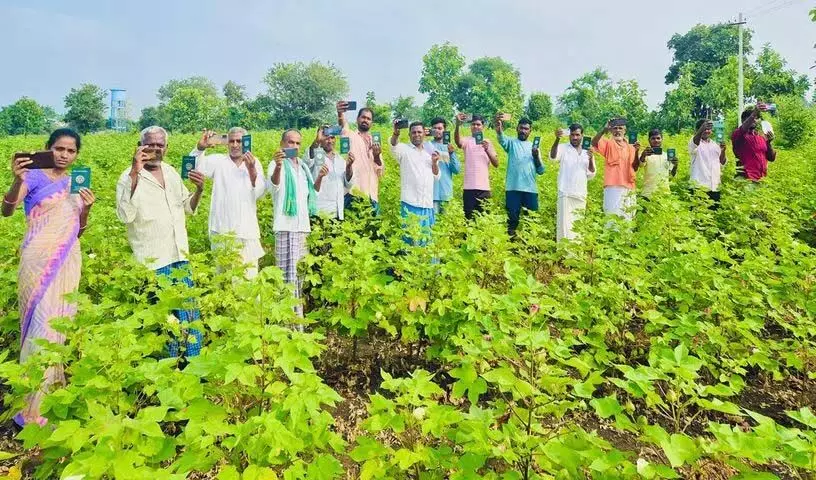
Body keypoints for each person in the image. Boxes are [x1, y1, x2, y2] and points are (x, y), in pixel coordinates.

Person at [2, 128, 95, 427]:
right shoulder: (32, 177)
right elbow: (6, 210)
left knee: (57, 327)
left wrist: (87, 209)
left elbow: (78, 229)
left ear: (76, 154)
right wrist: (17, 178)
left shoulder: (75, 183)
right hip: (37, 261)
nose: (64, 155)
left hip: (67, 260)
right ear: (48, 148)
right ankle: (32, 408)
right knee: (38, 327)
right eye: (59, 149)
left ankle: (52, 399)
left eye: (70, 151)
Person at [116, 126, 205, 358]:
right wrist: (135, 173)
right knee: (165, 319)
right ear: (140, 145)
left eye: (160, 145)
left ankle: (191, 366)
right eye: (150, 145)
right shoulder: (128, 177)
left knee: (189, 314)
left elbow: (188, 206)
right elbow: (125, 215)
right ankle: (169, 368)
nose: (155, 150)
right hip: (152, 260)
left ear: (167, 148)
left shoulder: (172, 172)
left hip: (179, 254)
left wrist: (200, 190)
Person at [189, 127, 266, 278]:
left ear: (246, 142)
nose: (235, 145)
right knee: (223, 281)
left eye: (239, 141)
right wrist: (200, 148)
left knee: (247, 282)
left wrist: (251, 170)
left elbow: (259, 193)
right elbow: (191, 167)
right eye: (232, 141)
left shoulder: (254, 163)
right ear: (227, 143)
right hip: (221, 231)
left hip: (246, 232)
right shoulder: (218, 161)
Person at [268, 129, 317, 318]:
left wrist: (319, 176)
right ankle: (286, 323)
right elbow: (274, 186)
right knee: (285, 279)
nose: (294, 147)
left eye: (297, 144)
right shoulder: (275, 164)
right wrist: (279, 166)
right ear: (282, 144)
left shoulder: (304, 168)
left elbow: (311, 195)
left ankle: (297, 320)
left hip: (302, 228)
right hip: (285, 227)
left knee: (299, 278)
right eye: (290, 142)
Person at [390, 120, 441, 244]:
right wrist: (396, 133)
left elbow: (437, 176)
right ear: (409, 135)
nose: (417, 134)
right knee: (410, 240)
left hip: (427, 203)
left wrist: (434, 163)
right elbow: (393, 146)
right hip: (410, 204)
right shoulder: (404, 149)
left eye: (419, 132)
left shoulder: (430, 151)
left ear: (424, 133)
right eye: (413, 132)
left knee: (426, 241)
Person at [495, 114, 545, 236]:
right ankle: (511, 248)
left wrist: (535, 156)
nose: (523, 131)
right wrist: (499, 129)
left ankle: (528, 248)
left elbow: (541, 170)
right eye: (521, 128)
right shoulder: (511, 143)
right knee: (512, 221)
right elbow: (502, 139)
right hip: (513, 188)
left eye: (526, 129)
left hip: (530, 190)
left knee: (531, 221)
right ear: (517, 128)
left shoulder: (534, 148)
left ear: (530, 131)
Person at [549, 124, 596, 241]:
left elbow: (591, 173)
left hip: (580, 194)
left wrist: (590, 158)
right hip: (565, 193)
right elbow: (553, 157)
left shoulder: (587, 151)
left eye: (577, 135)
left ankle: (575, 256)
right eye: (572, 135)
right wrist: (557, 138)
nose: (574, 137)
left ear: (582, 135)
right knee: (564, 228)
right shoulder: (563, 147)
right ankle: (563, 256)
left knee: (577, 227)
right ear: (569, 135)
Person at [336, 102, 383, 213]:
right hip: (353, 194)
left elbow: (380, 171)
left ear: (372, 122)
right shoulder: (351, 136)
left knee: (372, 230)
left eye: (368, 118)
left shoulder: (376, 142)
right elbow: (343, 125)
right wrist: (340, 113)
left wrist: (376, 157)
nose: (365, 120)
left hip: (372, 196)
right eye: (363, 117)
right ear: (357, 119)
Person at [591, 118, 638, 220]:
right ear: (611, 131)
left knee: (628, 217)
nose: (617, 131)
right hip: (613, 187)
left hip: (629, 186)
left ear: (625, 131)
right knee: (612, 217)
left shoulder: (631, 146)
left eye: (620, 128)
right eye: (615, 128)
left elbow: (636, 166)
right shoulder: (608, 144)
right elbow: (594, 143)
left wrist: (638, 151)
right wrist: (604, 130)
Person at [455, 113, 499, 219]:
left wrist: (487, 149)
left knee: (484, 220)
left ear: (482, 126)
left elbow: (496, 163)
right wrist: (457, 125)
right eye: (473, 124)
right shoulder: (467, 140)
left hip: (484, 188)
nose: (475, 127)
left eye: (478, 124)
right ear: (470, 126)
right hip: (469, 188)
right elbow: (458, 142)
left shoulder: (487, 142)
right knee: (469, 219)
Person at [306, 125, 354, 220]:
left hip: (336, 212)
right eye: (326, 138)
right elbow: (308, 160)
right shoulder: (315, 155)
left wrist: (349, 166)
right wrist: (317, 140)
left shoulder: (340, 159)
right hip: (319, 211)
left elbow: (348, 184)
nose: (330, 141)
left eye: (332, 137)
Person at [423, 117, 460, 214]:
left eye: (440, 128)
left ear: (445, 130)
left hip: (445, 193)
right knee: (432, 225)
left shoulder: (449, 147)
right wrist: (423, 136)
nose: (437, 131)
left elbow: (456, 170)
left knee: (446, 224)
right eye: (434, 128)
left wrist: (452, 153)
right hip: (431, 193)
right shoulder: (427, 145)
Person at [732, 105, 776, 181]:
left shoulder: (761, 138)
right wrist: (755, 112)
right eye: (751, 118)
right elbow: (743, 128)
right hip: (745, 179)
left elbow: (771, 158)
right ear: (743, 121)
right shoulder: (738, 135)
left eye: (756, 118)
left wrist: (769, 142)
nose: (754, 120)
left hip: (762, 178)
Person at [689, 119, 727, 207]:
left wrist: (723, 151)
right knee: (698, 217)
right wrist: (702, 128)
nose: (706, 131)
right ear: (697, 130)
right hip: (699, 186)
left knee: (712, 216)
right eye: (704, 128)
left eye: (709, 129)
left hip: (715, 187)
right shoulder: (694, 142)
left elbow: (722, 162)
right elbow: (695, 142)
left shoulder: (715, 144)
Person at [635, 129, 677, 200]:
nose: (656, 140)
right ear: (649, 140)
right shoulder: (645, 154)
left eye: (658, 138)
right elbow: (640, 165)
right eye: (653, 138)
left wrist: (675, 165)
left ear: (662, 139)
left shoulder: (667, 155)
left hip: (664, 193)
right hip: (648, 193)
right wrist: (643, 155)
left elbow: (671, 175)